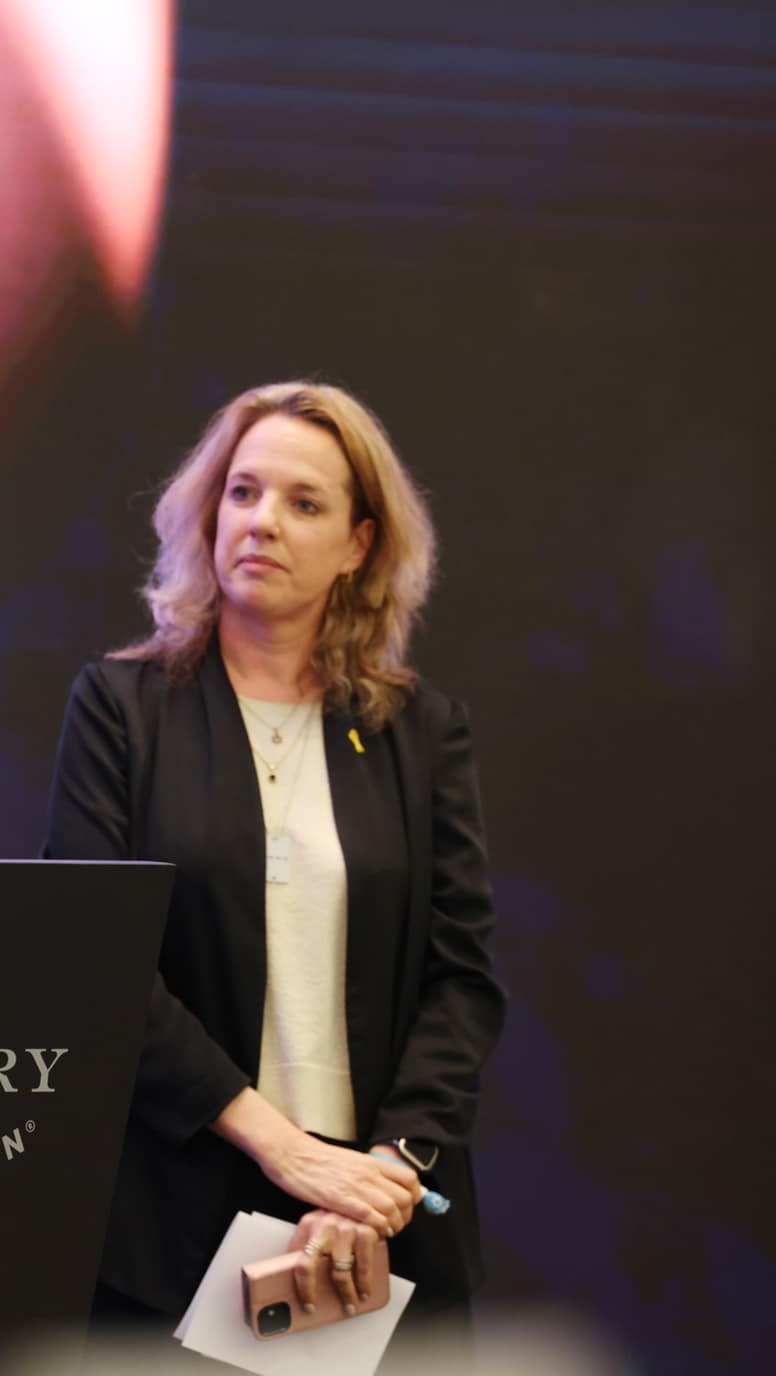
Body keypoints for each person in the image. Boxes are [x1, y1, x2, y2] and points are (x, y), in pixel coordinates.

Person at [44, 381, 503, 1345]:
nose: (263, 522)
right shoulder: (122, 708)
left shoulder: (422, 733)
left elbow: (460, 979)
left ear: (358, 545)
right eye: (243, 492)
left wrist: (383, 1175)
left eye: (305, 503)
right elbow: (92, 961)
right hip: (177, 1213)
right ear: (210, 513)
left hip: (380, 1221)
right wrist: (288, 1152)